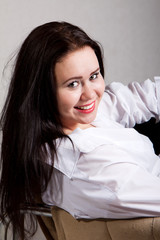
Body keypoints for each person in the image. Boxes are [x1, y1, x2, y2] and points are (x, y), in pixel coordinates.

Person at [0, 21, 160, 239]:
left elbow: (142, 97)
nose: (90, 94)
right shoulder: (92, 164)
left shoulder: (67, 121)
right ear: (42, 92)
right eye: (73, 84)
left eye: (94, 76)